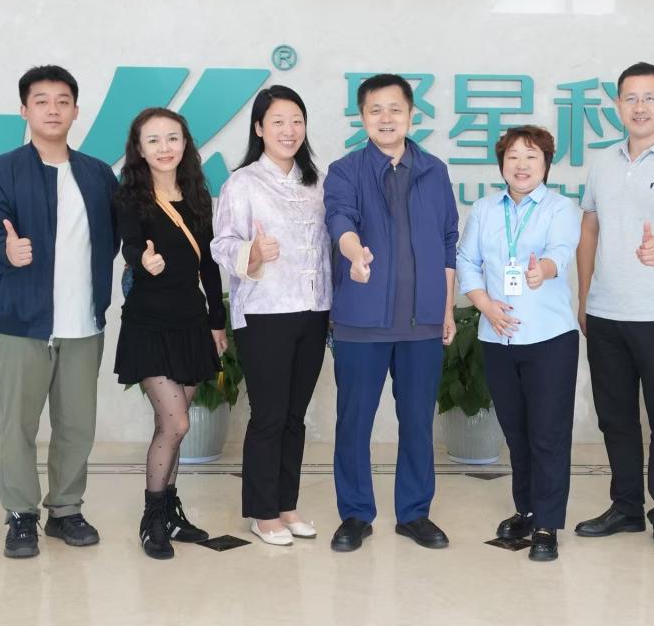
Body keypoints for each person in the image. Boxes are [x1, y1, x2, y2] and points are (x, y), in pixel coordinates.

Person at [0, 65, 119, 558]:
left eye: (62, 101)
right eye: (41, 101)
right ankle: (20, 515)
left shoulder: (98, 174)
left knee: (77, 425)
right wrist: (5, 252)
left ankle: (66, 510)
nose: (53, 110)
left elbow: (114, 238)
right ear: (24, 110)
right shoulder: (2, 170)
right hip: (23, 323)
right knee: (17, 426)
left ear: (76, 111)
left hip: (83, 323)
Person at [324, 73, 458, 552]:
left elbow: (448, 240)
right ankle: (355, 514)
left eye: (395, 109)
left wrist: (446, 308)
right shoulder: (345, 170)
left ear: (410, 114)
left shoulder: (434, 171)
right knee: (354, 422)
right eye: (375, 110)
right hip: (361, 320)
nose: (386, 118)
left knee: (417, 422)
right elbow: (339, 218)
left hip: (422, 322)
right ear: (362, 117)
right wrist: (353, 252)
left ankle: (414, 513)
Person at [574, 62, 654, 558]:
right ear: (618, 105)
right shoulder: (602, 162)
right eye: (630, 98)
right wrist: (584, 297)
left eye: (650, 97)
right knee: (616, 419)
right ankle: (626, 507)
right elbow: (590, 228)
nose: (640, 107)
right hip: (606, 313)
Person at [210, 86, 331, 546]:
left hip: (314, 310)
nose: (289, 130)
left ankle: (286, 505)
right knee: (269, 415)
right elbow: (221, 244)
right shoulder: (242, 183)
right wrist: (253, 253)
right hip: (265, 313)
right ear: (259, 128)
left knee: (295, 416)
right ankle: (262, 513)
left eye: (296, 120)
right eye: (278, 121)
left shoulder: (317, 182)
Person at [457, 126, 581, 562]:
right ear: (502, 164)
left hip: (549, 338)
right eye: (513, 156)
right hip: (497, 336)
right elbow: (466, 260)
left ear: (546, 164)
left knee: (548, 434)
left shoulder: (560, 207)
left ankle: (547, 523)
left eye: (531, 156)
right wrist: (485, 306)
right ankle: (526, 510)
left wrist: (542, 270)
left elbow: (562, 250)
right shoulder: (485, 209)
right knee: (516, 432)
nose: (522, 165)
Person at [114, 107, 226, 559]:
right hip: (149, 323)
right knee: (177, 422)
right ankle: (152, 518)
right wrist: (143, 259)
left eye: (173, 138)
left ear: (185, 143)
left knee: (171, 426)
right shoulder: (130, 197)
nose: (165, 148)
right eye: (154, 140)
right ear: (139, 149)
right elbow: (129, 243)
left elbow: (210, 264)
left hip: (191, 322)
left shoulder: (197, 195)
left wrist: (216, 321)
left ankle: (170, 513)